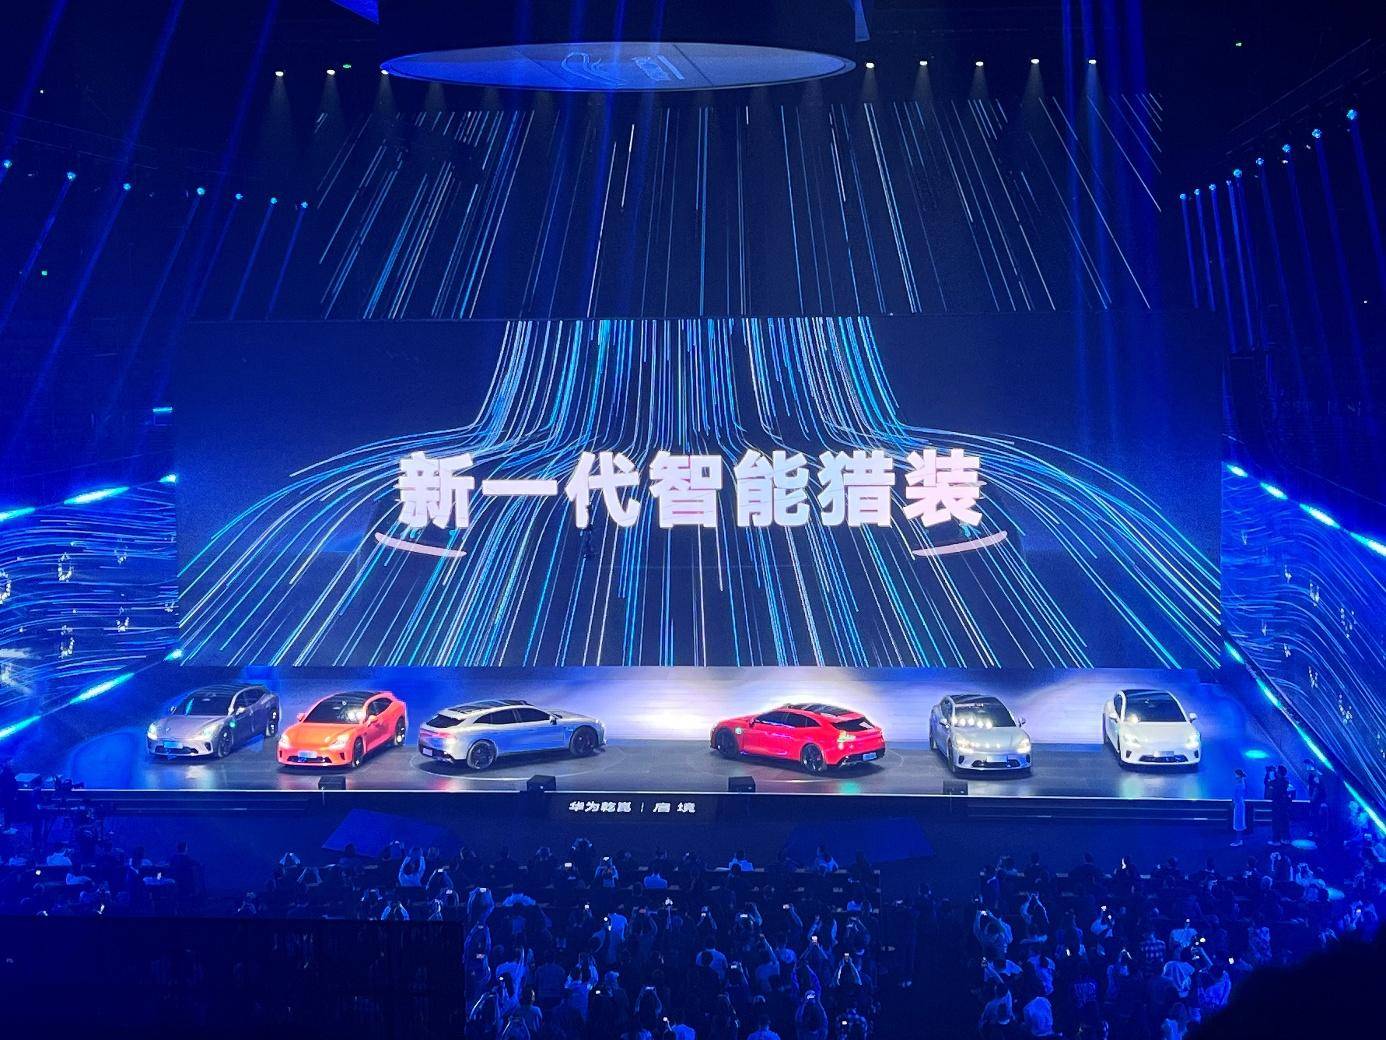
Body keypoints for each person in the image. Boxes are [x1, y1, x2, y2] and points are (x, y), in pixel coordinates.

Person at [1231, 769, 1248, 846]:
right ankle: (1239, 840)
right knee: (1239, 822)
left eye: (1236, 774)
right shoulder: (1241, 783)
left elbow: (1237, 795)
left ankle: (1238, 841)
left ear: (1238, 775)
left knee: (1238, 822)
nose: (1235, 776)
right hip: (1239, 803)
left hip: (1238, 804)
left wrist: (1234, 803)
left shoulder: (1240, 784)